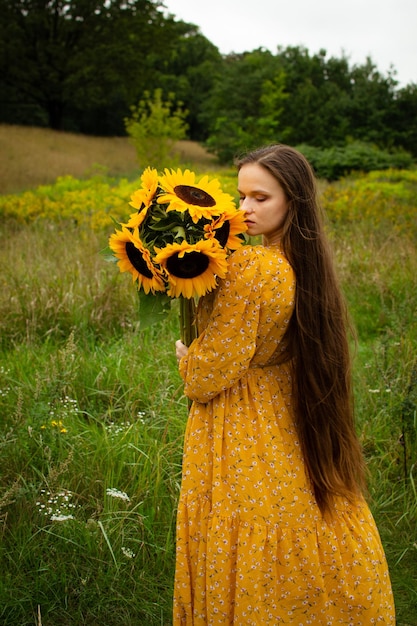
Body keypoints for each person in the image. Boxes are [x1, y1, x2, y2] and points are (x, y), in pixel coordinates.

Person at [173, 144, 395, 624]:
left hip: (242, 421)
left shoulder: (254, 270)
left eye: (260, 198)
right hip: (285, 413)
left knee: (243, 527)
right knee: (296, 514)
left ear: (292, 201)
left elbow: (210, 377)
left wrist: (189, 360)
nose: (244, 209)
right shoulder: (304, 264)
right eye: (240, 197)